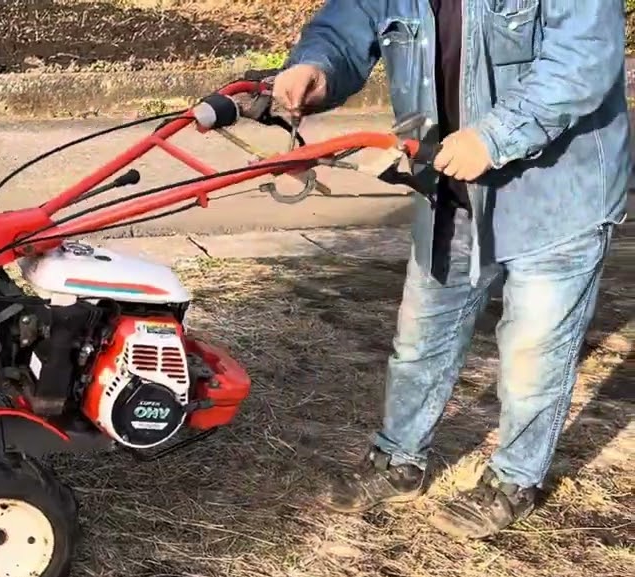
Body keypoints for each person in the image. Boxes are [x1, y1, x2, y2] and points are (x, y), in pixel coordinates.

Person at [270, 0, 629, 538]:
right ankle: (398, 460)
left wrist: (494, 135)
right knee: (421, 339)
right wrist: (316, 66)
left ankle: (514, 479)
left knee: (534, 354)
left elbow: (583, 58)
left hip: (559, 196)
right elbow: (351, 23)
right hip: (452, 190)